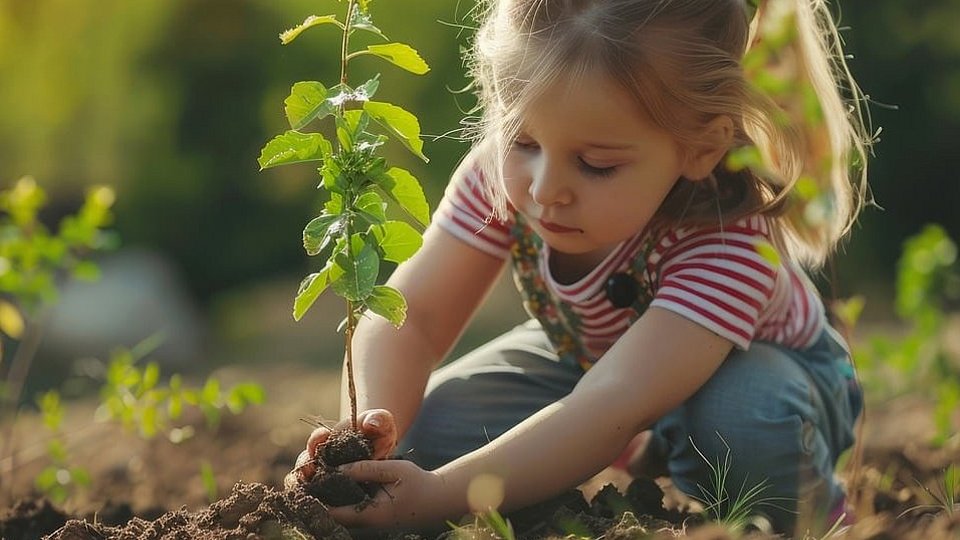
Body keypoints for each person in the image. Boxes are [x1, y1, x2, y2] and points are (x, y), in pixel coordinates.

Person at [289, 0, 870, 535]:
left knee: (743, 426)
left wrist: (441, 496)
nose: (546, 190)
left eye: (596, 165)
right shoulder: (503, 176)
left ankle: (812, 500)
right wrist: (364, 436)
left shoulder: (728, 238)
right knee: (428, 436)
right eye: (521, 142)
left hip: (759, 375)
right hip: (592, 363)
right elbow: (413, 320)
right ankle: (651, 442)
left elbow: (612, 401)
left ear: (702, 148)